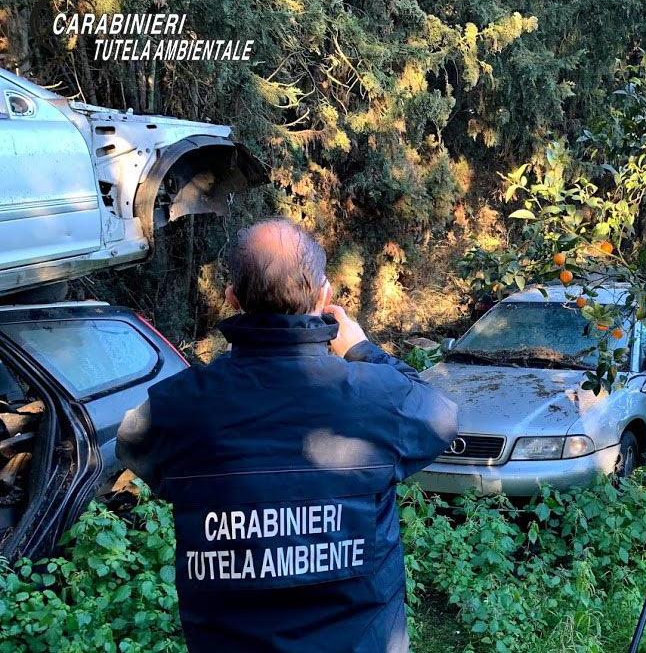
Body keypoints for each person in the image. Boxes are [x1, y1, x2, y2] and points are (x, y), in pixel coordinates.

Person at [117, 218, 458, 653]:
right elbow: (442, 416)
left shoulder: (178, 405)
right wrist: (362, 350)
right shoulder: (378, 396)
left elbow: (132, 441)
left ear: (232, 299)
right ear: (324, 296)